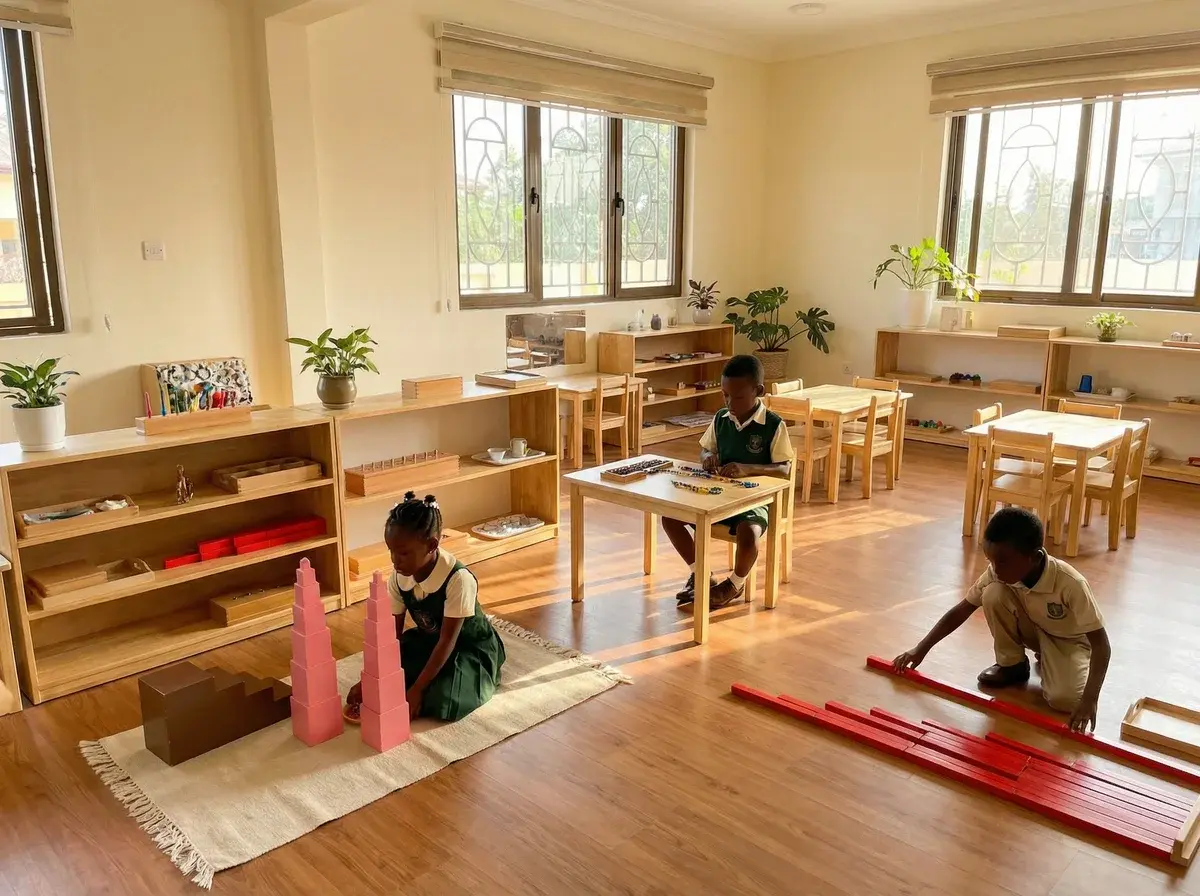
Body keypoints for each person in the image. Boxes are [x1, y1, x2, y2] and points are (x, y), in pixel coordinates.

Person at [893, 507, 1111, 732]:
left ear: (1035, 557)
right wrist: (921, 649)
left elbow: (1101, 644)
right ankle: (1012, 666)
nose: (995, 569)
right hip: (1033, 629)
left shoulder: (1071, 583)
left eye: (1003, 562)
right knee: (992, 593)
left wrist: (1090, 699)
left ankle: (1054, 661)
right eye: (991, 560)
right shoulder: (998, 572)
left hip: (1067, 641)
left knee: (1065, 701)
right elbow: (962, 610)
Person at [346, 492, 505, 722]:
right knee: (395, 673)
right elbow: (392, 636)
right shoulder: (399, 577)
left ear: (432, 545)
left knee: (445, 699)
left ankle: (480, 676)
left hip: (468, 647)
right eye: (391, 551)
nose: (395, 560)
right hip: (430, 641)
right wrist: (371, 680)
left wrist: (417, 690)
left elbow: (447, 641)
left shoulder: (458, 579)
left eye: (403, 553)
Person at [663, 354, 794, 611]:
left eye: (738, 397)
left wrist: (748, 468)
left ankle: (734, 584)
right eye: (725, 395)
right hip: (716, 497)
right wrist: (707, 457)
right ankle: (700, 573)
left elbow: (785, 468)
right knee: (670, 516)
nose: (730, 403)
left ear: (758, 391)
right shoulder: (721, 418)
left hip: (754, 502)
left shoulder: (773, 425)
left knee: (749, 534)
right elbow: (705, 449)